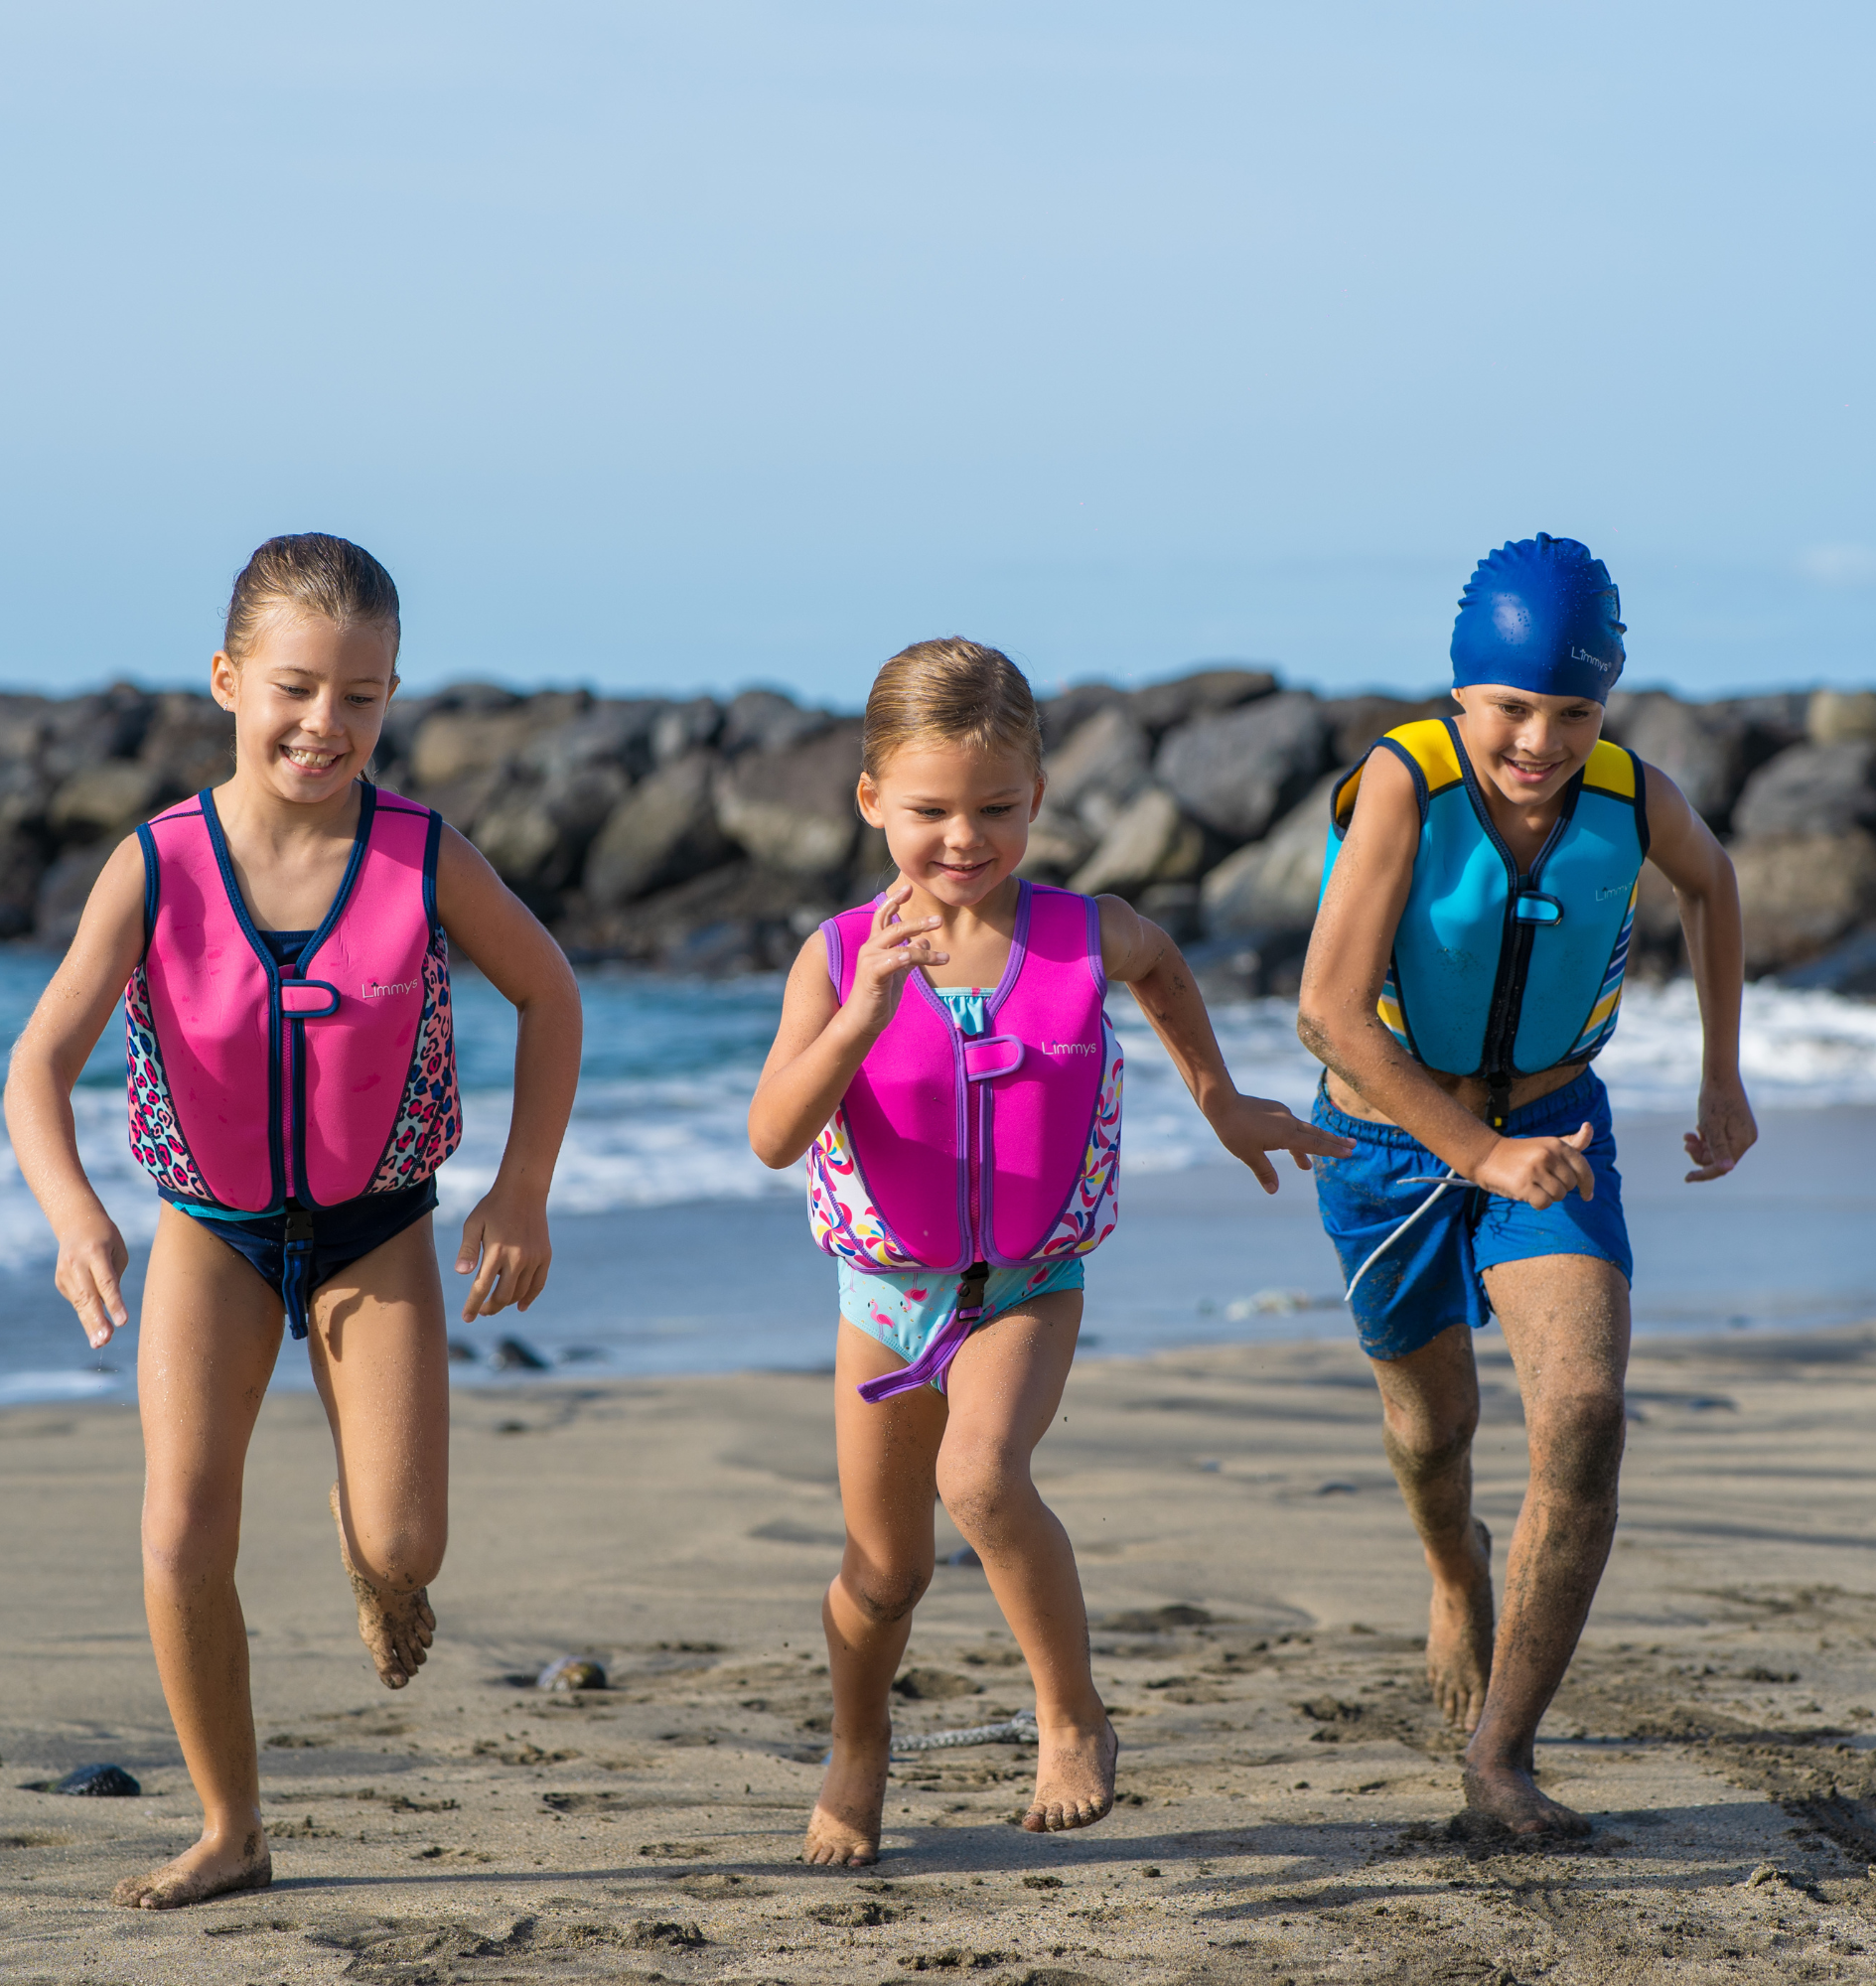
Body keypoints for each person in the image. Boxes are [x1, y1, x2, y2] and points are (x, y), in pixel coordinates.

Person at [4, 533, 582, 1909]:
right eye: (297, 687)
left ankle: (373, 1557)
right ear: (228, 681)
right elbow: (37, 1065)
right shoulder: (155, 868)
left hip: (375, 1228)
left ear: (391, 697)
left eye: (363, 695)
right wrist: (76, 1212)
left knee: (404, 1548)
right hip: (208, 1228)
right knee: (181, 1532)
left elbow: (551, 998)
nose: (328, 723)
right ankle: (233, 1828)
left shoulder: (424, 857)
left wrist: (520, 1188)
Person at [748, 638, 1351, 1868]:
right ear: (870, 801)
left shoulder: (1089, 933)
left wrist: (1222, 1100)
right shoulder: (833, 955)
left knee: (980, 1474)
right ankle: (857, 1747)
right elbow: (771, 1134)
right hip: (886, 1295)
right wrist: (861, 1014)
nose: (962, 838)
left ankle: (1070, 1716)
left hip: (1031, 1284)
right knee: (881, 1572)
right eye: (927, 810)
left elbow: (1167, 972)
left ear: (1036, 798)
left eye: (994, 808)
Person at [1297, 533, 1756, 1837]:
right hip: (1387, 1147)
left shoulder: (1633, 794)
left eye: (1573, 710)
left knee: (1588, 1415)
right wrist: (1470, 1150)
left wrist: (1724, 1078)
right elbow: (1329, 1014)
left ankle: (1501, 1756)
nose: (1540, 741)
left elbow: (1714, 888)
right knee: (1435, 1435)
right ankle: (1455, 1571)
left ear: (1605, 704)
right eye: (1511, 707)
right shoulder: (1405, 784)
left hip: (1554, 1127)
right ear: (1461, 693)